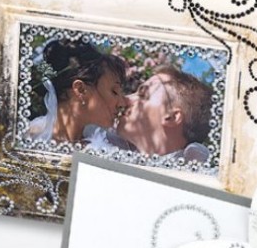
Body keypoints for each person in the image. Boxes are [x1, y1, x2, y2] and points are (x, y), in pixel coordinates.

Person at [85, 65, 214, 161]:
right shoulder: (97, 149)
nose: (125, 99)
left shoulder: (192, 179)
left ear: (172, 117)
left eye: (143, 95)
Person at [28, 39, 126, 143]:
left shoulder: (108, 146)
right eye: (114, 91)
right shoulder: (29, 138)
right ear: (80, 89)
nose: (122, 103)